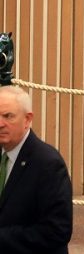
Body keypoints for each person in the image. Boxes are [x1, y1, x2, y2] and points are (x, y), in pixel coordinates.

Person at [0, 85, 73, 253]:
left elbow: (57, 231)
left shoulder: (48, 164)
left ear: (27, 120)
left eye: (8, 116)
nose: (0, 123)